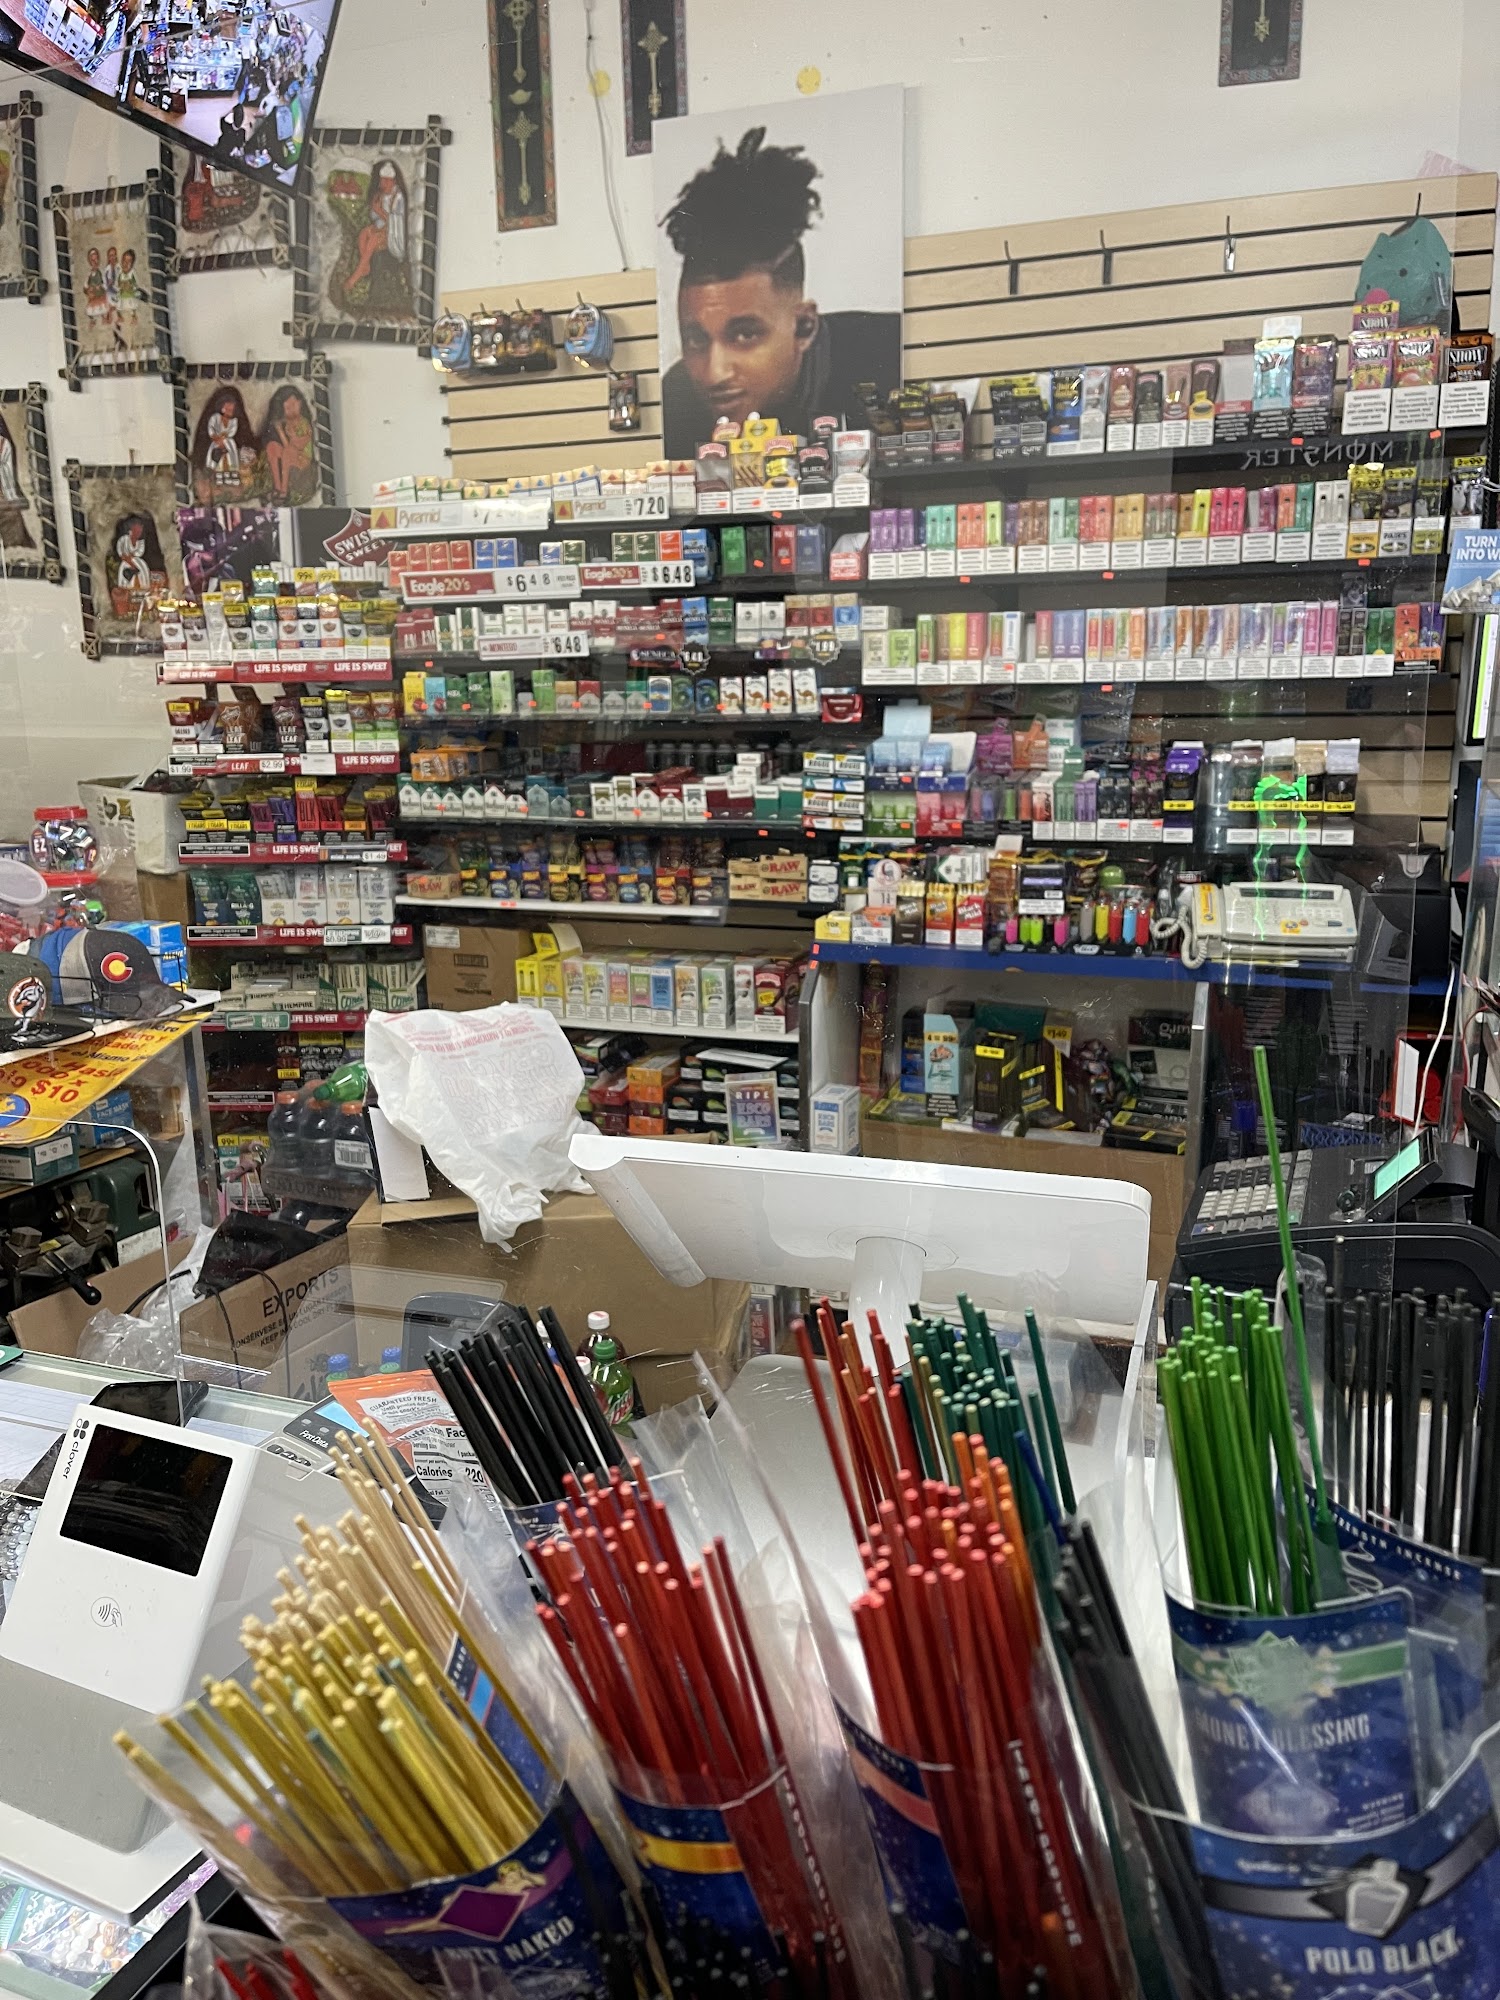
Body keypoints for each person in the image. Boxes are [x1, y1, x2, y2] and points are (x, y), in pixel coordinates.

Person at [659, 125, 900, 455]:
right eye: (696, 339)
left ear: (804, 327)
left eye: (745, 335)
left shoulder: (884, 359)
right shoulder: (677, 400)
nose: (716, 373)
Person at [341, 158, 409, 315]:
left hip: (393, 234)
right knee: (364, 233)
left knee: (373, 239)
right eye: (381, 181)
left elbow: (395, 221)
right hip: (381, 228)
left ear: (391, 181)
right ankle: (366, 265)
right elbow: (375, 218)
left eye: (385, 181)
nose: (382, 184)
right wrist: (375, 209)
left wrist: (380, 211)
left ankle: (357, 274)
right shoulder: (381, 195)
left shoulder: (397, 197)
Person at [260, 383, 315, 502]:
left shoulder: (304, 423)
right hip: (291, 454)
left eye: (293, 405)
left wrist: (293, 437)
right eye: (288, 407)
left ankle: (284, 492)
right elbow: (287, 445)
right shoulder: (288, 424)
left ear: (300, 404)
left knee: (288, 452)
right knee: (272, 447)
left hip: (303, 458)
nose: (291, 410)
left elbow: (300, 445)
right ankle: (277, 487)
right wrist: (280, 430)